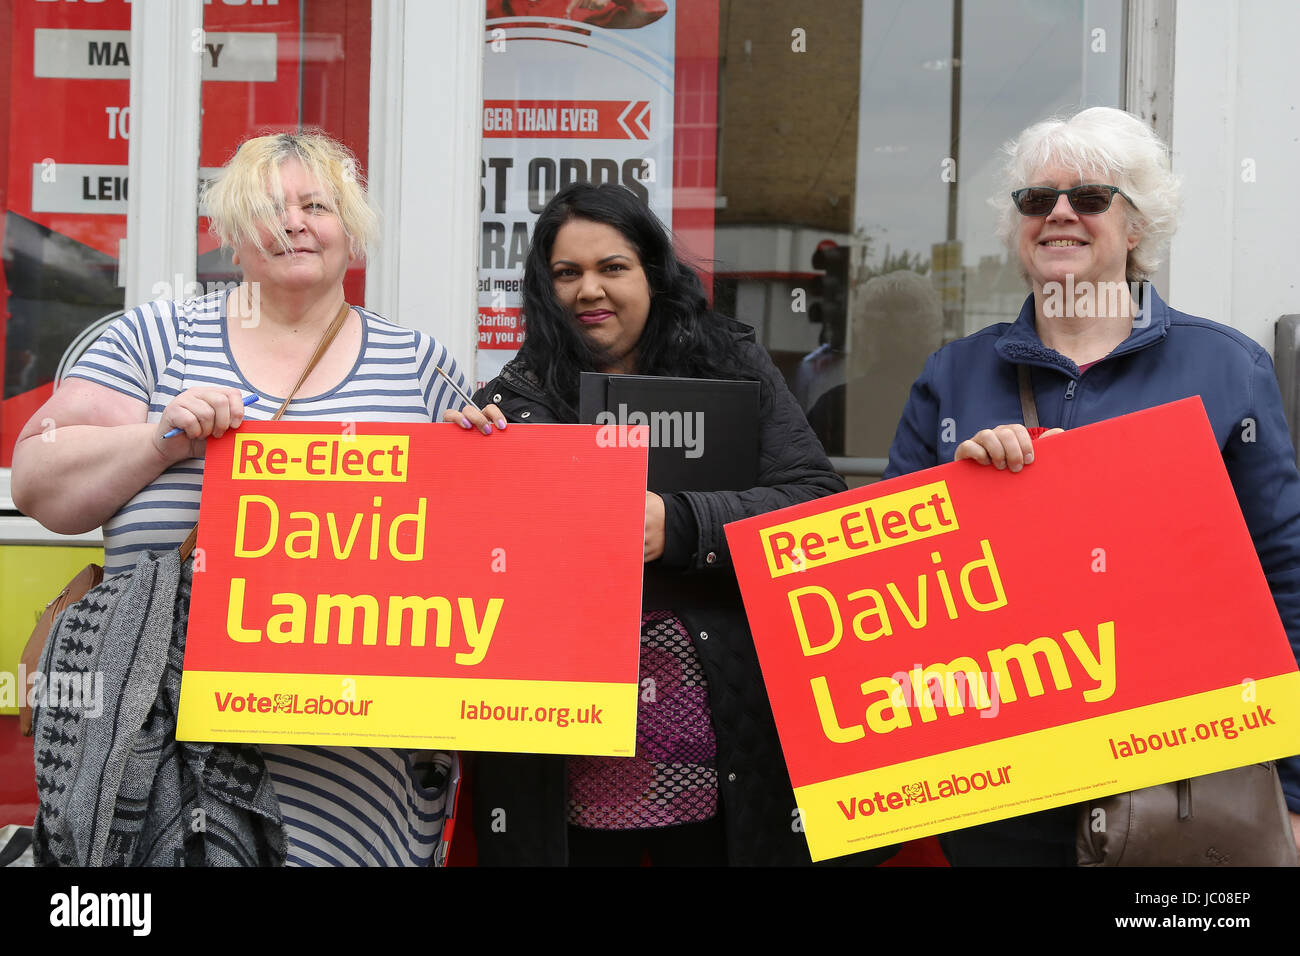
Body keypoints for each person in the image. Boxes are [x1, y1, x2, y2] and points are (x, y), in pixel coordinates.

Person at [11, 131, 470, 866]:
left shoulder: (419, 365)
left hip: (358, 769)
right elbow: (39, 481)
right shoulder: (154, 340)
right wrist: (164, 438)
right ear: (230, 236)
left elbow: (475, 545)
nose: (293, 222)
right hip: (168, 758)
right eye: (266, 207)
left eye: (316, 205)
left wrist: (487, 455)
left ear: (351, 229)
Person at [884, 106, 1300, 864]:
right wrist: (959, 496)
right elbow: (894, 580)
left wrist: (1295, 789)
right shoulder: (953, 376)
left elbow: (1285, 579)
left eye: (1092, 198)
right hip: (1000, 782)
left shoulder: (1226, 368)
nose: (1060, 215)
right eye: (1037, 201)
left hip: (1174, 773)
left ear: (1136, 227)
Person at [447, 181, 853, 865]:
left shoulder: (731, 368)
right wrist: (462, 465)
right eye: (567, 274)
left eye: (612, 268)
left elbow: (814, 503)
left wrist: (680, 524)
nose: (588, 292)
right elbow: (464, 571)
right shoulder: (511, 401)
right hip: (560, 754)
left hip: (717, 743)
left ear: (653, 274)